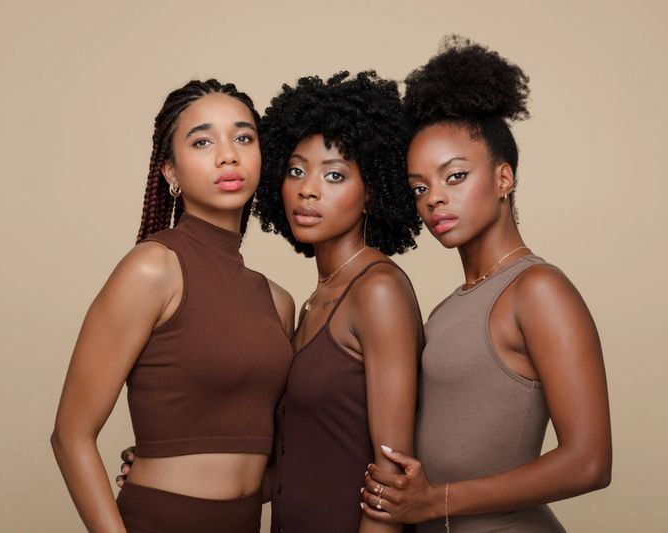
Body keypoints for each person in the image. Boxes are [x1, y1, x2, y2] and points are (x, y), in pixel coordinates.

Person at [361, 36, 612, 532]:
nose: (433, 198)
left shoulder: (538, 290)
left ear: (503, 179)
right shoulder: (449, 307)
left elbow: (590, 462)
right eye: (419, 187)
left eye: (454, 176)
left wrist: (436, 501)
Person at [51, 79, 295, 533]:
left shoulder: (278, 302)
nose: (228, 155)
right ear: (170, 172)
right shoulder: (152, 270)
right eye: (202, 141)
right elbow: (70, 435)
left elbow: (268, 458)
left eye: (243, 138)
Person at [254, 71, 424, 533]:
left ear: (372, 192)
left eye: (334, 175)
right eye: (296, 170)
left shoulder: (378, 291)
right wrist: (173, 468)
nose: (307, 189)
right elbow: (291, 465)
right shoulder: (313, 300)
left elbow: (393, 475)